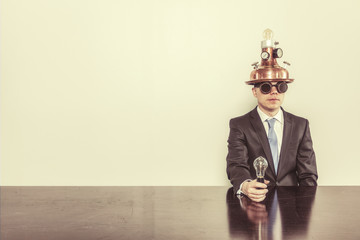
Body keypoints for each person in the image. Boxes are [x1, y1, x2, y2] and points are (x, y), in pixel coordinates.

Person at [226, 80, 318, 202]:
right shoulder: (239, 125)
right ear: (254, 91)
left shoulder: (301, 125)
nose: (274, 92)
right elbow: (236, 164)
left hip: (291, 206)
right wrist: (245, 185)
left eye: (281, 87)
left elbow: (308, 174)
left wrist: (306, 206)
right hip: (254, 204)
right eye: (266, 87)